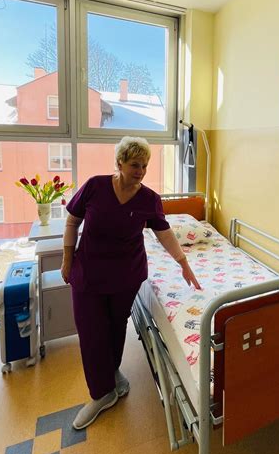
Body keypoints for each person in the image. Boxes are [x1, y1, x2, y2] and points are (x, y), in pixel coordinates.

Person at [61, 136, 201, 430]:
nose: (141, 171)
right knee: (91, 330)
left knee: (115, 326)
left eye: (145, 165)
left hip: (126, 275)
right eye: (135, 165)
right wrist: (67, 259)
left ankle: (111, 372)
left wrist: (184, 263)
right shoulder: (95, 186)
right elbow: (73, 220)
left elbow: (164, 233)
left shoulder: (149, 199)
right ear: (120, 163)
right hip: (89, 272)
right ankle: (102, 394)